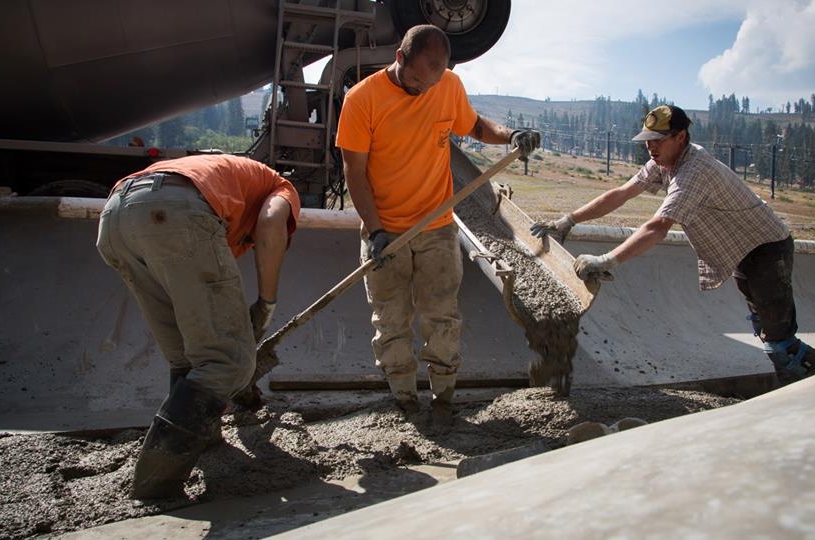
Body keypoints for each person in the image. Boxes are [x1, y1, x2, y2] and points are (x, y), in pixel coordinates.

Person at [530, 104, 815, 387]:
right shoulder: (663, 161)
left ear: (681, 137)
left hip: (766, 248)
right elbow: (622, 193)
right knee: (765, 326)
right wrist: (569, 219)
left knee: (778, 334)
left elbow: (658, 227)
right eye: (648, 140)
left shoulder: (694, 172)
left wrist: (606, 260)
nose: (650, 147)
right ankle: (803, 380)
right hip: (741, 250)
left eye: (658, 140)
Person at [335, 24, 540, 425]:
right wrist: (375, 230)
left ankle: (443, 399)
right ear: (399, 57)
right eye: (415, 81)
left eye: (432, 83)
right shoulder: (363, 100)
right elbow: (354, 173)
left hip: (437, 229)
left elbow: (476, 127)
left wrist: (510, 135)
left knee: (442, 316)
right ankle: (405, 401)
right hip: (385, 231)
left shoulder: (446, 85)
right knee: (391, 320)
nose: (424, 90)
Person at [96, 154, 301, 498]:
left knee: (188, 355)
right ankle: (156, 481)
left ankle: (206, 438)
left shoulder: (229, 180)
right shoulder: (281, 187)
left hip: (117, 217)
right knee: (228, 361)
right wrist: (266, 304)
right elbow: (269, 224)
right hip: (175, 211)